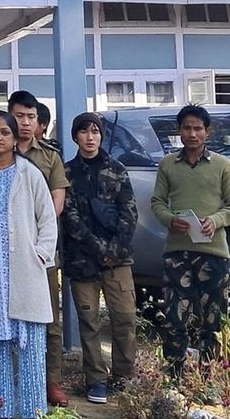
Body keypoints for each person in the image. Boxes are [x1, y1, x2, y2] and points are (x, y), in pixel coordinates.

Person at [0, 111, 57, 419]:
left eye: (4, 133)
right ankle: (1, 412)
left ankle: (33, 412)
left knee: (31, 353)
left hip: (25, 272)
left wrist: (41, 253)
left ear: (14, 138)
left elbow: (47, 218)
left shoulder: (29, 173)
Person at [61, 112, 138, 404]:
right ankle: (96, 380)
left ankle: (124, 374)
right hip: (83, 260)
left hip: (118, 261)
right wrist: (97, 249)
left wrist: (113, 251)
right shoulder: (67, 173)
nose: (90, 137)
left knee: (124, 318)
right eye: (84, 131)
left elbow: (129, 213)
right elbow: (70, 217)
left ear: (101, 136)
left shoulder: (117, 169)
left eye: (95, 131)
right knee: (89, 322)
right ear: (75, 136)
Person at [151, 104, 230, 380]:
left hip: (213, 253)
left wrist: (216, 220)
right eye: (187, 128)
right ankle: (173, 376)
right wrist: (171, 219)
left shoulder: (222, 165)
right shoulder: (168, 164)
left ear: (208, 132)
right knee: (175, 318)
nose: (192, 133)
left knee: (213, 320)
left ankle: (209, 379)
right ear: (179, 131)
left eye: (198, 128)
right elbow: (157, 202)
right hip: (177, 252)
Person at [8, 90, 70, 407]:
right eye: (20, 115)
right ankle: (12, 377)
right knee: (8, 317)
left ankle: (52, 381)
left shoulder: (49, 156)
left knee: (49, 319)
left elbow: (56, 204)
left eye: (31, 117)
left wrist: (35, 237)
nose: (26, 122)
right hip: (6, 251)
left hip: (41, 250)